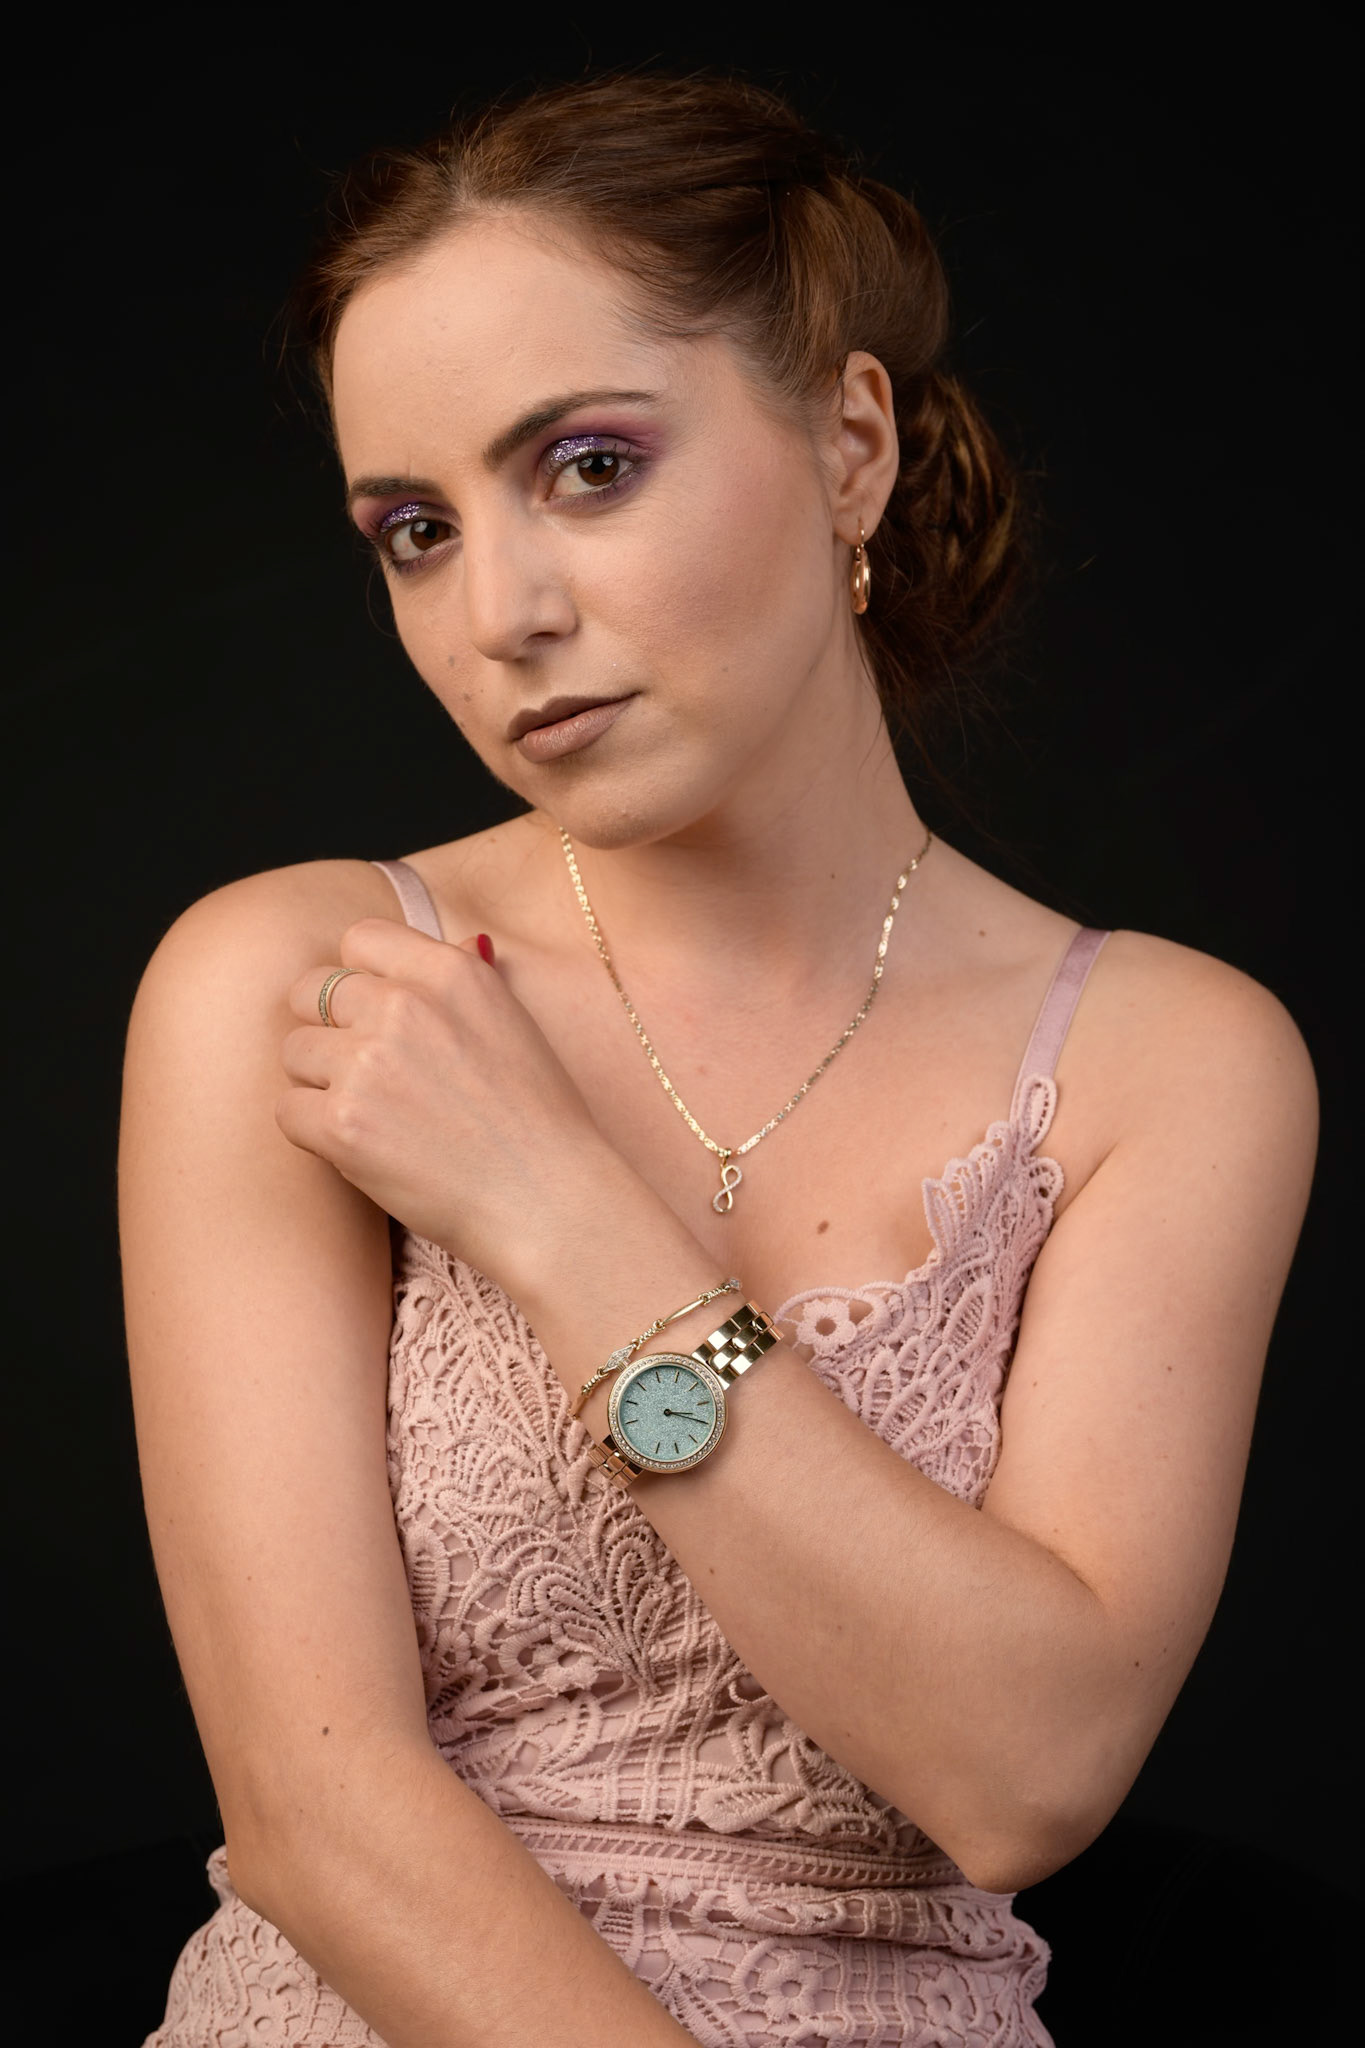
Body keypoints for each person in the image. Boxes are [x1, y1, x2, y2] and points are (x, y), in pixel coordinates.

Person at [118, 70, 1317, 2048]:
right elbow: (315, 1811)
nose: (498, 613)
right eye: (414, 530)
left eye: (588, 466)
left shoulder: (1167, 1061)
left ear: (848, 445)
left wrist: (554, 1210)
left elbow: (1022, 1776)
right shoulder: (294, 983)